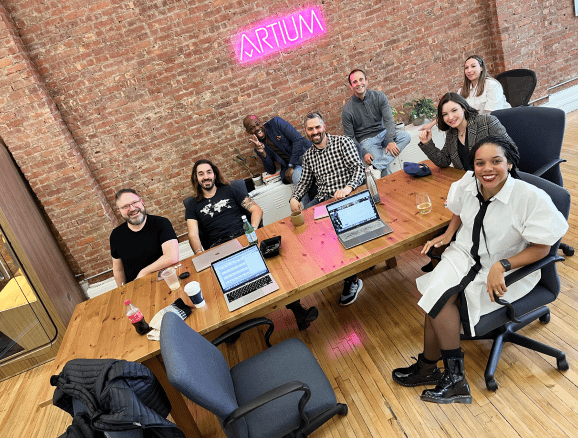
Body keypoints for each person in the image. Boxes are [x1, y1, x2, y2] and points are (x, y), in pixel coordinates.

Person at [392, 136, 568, 404]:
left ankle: (453, 380)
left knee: (437, 302)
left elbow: (543, 248)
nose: (488, 169)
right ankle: (430, 369)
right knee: (435, 301)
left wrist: (503, 265)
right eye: (480, 162)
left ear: (509, 163)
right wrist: (449, 234)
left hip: (506, 268)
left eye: (496, 161)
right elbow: (459, 210)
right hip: (463, 255)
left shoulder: (529, 198)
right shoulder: (468, 183)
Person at [185, 159, 318, 330]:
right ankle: (231, 326)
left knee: (275, 269)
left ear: (214, 173)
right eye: (201, 174)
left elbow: (256, 210)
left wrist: (252, 231)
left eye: (208, 172)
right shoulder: (192, 204)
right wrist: (198, 252)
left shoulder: (230, 190)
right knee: (226, 283)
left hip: (242, 238)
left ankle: (298, 311)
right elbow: (192, 233)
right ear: (196, 178)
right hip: (218, 247)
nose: (206, 177)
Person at [290, 112, 366, 306]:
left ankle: (352, 280)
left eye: (317, 127)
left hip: (349, 196)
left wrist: (348, 188)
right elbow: (305, 181)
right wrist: (294, 197)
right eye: (310, 129)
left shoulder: (343, 142)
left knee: (339, 231)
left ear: (323, 127)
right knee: (302, 233)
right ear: (305, 132)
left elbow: (358, 168)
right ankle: (329, 269)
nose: (315, 132)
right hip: (324, 201)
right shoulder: (308, 156)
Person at [418, 92, 514, 171]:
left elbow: (510, 150)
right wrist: (427, 143)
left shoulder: (487, 122)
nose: (450, 117)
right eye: (445, 114)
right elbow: (443, 161)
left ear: (463, 108)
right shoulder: (451, 134)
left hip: (495, 179)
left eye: (454, 110)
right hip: (469, 184)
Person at [342, 68, 411, 177]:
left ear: (367, 81)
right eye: (355, 82)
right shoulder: (347, 110)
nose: (359, 84)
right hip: (367, 141)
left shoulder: (379, 96)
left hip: (383, 133)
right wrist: (363, 153)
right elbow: (350, 138)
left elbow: (389, 120)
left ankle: (375, 167)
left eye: (361, 80)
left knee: (405, 136)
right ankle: (393, 189)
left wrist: (390, 140)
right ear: (351, 86)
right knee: (384, 168)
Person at [421, 55, 511, 131]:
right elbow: (451, 108)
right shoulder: (463, 90)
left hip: (499, 127)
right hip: (478, 128)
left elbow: (494, 115)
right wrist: (431, 125)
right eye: (466, 68)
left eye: (473, 66)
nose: (469, 70)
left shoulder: (492, 85)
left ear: (482, 68)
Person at [110, 189, 179, 288]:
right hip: (137, 288)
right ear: (119, 211)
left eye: (134, 203)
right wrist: (123, 290)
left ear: (142, 202)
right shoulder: (115, 235)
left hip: (166, 282)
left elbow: (172, 257)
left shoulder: (161, 223)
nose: (132, 208)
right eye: (125, 206)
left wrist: (143, 273)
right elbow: (118, 270)